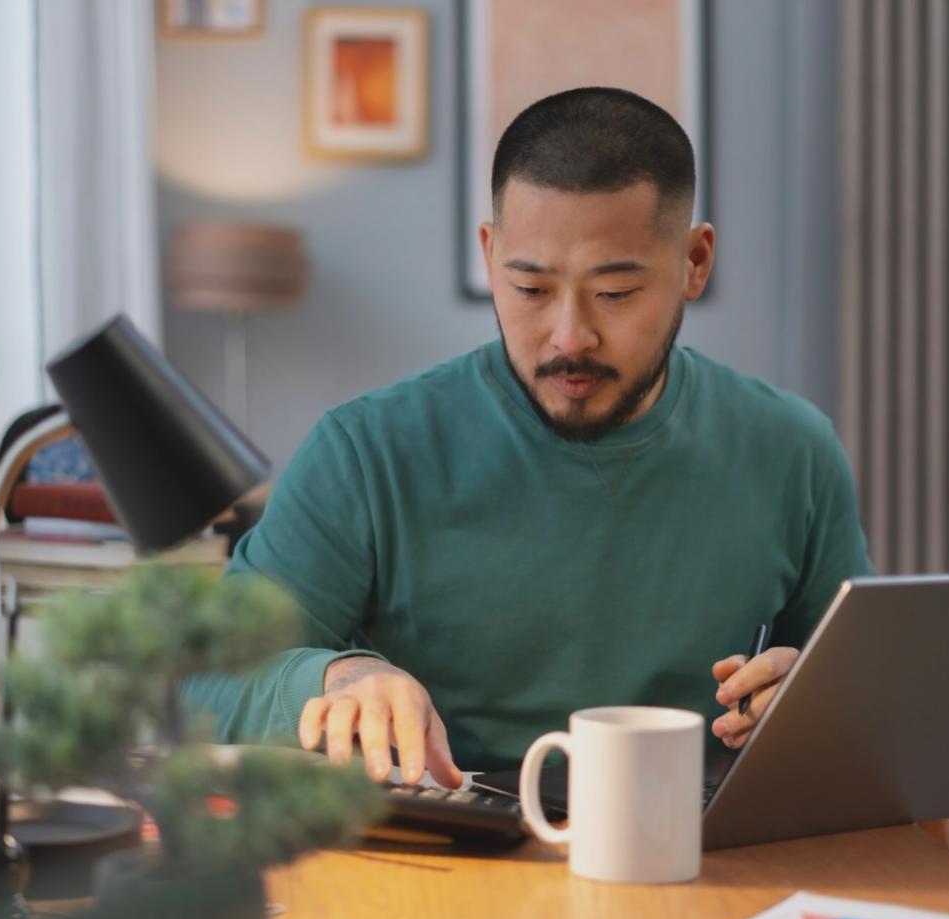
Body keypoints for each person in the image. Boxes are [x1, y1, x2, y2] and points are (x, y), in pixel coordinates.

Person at [183, 87, 873, 789]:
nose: (570, 337)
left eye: (615, 293)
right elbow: (206, 680)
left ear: (695, 261)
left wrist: (809, 698)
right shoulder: (366, 451)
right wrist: (336, 674)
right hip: (449, 851)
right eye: (532, 289)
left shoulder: (793, 450)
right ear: (490, 256)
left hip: (698, 850)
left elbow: (869, 699)